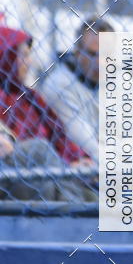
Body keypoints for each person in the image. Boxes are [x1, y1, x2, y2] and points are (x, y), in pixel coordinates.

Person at [39, 16, 133, 199]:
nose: (100, 62)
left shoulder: (124, 81)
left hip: (122, 168)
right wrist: (124, 149)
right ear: (77, 52)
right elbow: (88, 148)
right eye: (92, 54)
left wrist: (109, 151)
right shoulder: (58, 85)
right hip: (84, 174)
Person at [0, 25, 95, 201]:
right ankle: (73, 210)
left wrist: (78, 158)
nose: (29, 62)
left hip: (57, 171)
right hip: (21, 173)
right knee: (40, 148)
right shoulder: (3, 98)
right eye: (24, 55)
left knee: (97, 198)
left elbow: (59, 135)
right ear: (6, 56)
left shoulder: (30, 97)